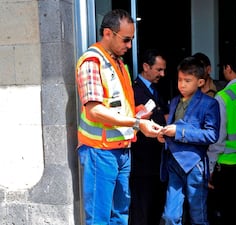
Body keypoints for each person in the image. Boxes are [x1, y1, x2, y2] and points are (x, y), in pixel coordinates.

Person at [75, 9, 162, 225]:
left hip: (121, 150)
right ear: (107, 33)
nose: (129, 46)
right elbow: (94, 110)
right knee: (99, 218)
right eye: (126, 39)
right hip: (100, 152)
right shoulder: (92, 62)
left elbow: (116, 107)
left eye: (131, 40)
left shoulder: (118, 63)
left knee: (120, 216)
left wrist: (138, 114)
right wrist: (137, 122)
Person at [158, 56, 220, 225]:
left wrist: (179, 131)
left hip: (195, 164)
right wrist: (163, 134)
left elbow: (211, 135)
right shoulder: (175, 101)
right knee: (170, 216)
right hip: (173, 162)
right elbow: (172, 128)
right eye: (179, 80)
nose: (182, 85)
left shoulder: (209, 103)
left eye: (187, 80)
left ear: (200, 82)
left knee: (198, 215)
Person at [129, 49, 169, 225]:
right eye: (159, 69)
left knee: (154, 208)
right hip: (142, 162)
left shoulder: (154, 89)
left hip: (155, 161)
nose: (162, 74)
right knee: (141, 210)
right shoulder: (135, 90)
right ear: (146, 66)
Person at [208, 55, 236, 225]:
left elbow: (217, 138)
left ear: (228, 68)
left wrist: (210, 167)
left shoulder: (224, 96)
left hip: (226, 165)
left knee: (225, 215)